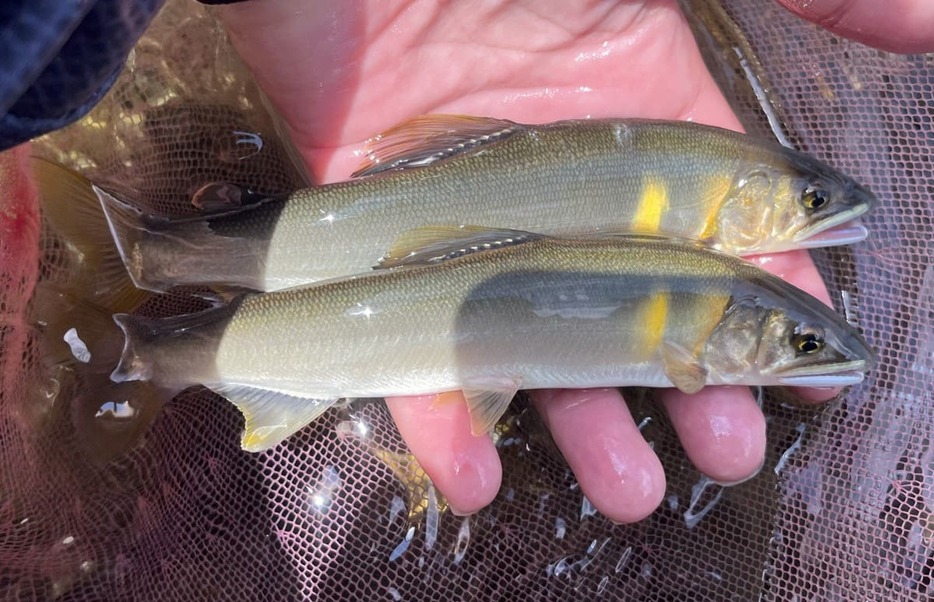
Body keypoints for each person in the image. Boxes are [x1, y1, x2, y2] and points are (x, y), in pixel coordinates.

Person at [2, 0, 932, 522]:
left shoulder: (706, 265)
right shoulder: (708, 267)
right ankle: (148, 294)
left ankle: (147, 301)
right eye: (809, 204)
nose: (821, 218)